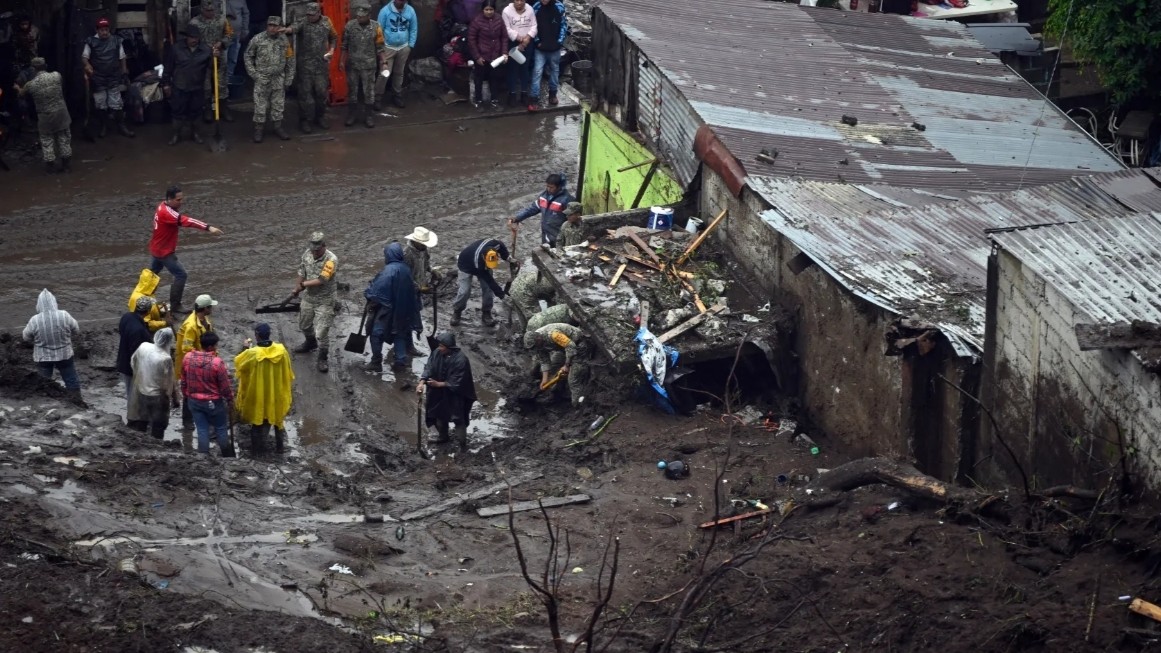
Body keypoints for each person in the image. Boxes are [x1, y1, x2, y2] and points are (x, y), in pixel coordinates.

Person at [150, 185, 224, 313]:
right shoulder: (168, 213)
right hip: (164, 252)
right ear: (170, 199)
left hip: (156, 249)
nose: (181, 202)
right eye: (178, 200)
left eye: (181, 199)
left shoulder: (162, 206)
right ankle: (175, 305)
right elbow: (187, 221)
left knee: (151, 276)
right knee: (181, 275)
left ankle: (141, 299)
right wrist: (208, 227)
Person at [234, 323, 294, 454]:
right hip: (276, 392)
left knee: (258, 420)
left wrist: (245, 348)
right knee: (278, 420)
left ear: (256, 335)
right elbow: (288, 371)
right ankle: (280, 448)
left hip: (259, 393)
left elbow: (239, 364)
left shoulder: (252, 353)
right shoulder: (281, 351)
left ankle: (257, 452)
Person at [417, 331, 477, 450]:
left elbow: (459, 381)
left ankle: (462, 445)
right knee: (439, 415)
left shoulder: (461, 360)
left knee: (458, 419)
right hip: (439, 393)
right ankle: (443, 436)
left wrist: (439, 384)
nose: (439, 348)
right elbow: (429, 367)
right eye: (439, 346)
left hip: (455, 394)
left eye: (442, 346)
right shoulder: (436, 353)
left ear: (449, 347)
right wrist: (422, 381)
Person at [364, 242, 417, 372]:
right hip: (403, 310)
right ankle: (400, 362)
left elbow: (377, 292)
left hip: (387, 310)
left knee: (376, 334)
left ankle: (376, 361)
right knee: (399, 334)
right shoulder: (406, 269)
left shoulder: (389, 270)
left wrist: (368, 292)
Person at [181, 331, 235, 457]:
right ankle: (227, 456)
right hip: (213, 402)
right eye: (216, 345)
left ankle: (203, 457)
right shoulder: (217, 362)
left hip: (194, 400)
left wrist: (186, 395)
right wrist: (230, 399)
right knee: (221, 428)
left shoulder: (188, 358)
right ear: (210, 347)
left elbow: (183, 380)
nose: (216, 348)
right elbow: (225, 386)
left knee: (202, 429)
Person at [13, 57, 71, 174]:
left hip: (45, 117)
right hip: (61, 113)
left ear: (33, 69)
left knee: (47, 140)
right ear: (46, 66)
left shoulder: (31, 84)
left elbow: (21, 95)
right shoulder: (56, 75)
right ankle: (66, 166)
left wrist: (17, 88)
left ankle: (51, 167)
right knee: (63, 138)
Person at [286, 2, 337, 134]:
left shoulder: (327, 22)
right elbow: (294, 28)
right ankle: (304, 120)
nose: (309, 17)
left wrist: (331, 50)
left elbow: (334, 37)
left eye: (312, 15)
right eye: (308, 14)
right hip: (305, 67)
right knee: (305, 95)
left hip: (321, 65)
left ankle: (319, 117)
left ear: (318, 13)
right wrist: (287, 30)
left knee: (321, 93)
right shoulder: (303, 22)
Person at [22, 289, 82, 398]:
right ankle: (77, 401)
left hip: (43, 357)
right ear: (54, 302)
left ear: (38, 304)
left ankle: (45, 403)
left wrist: (36, 341)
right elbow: (76, 330)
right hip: (65, 355)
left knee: (44, 382)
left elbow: (26, 337)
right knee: (71, 380)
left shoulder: (34, 320)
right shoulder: (64, 315)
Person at [292, 231, 338, 372]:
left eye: (317, 250)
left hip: (325, 299)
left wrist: (303, 285)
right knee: (304, 325)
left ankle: (323, 357)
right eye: (313, 250)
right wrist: (297, 288)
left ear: (324, 246)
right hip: (309, 298)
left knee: (321, 332)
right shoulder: (307, 254)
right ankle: (310, 343)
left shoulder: (331, 260)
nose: (314, 253)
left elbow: (322, 279)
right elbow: (301, 272)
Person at [161, 24, 214, 146]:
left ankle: (195, 134)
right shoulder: (176, 49)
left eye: (196, 38)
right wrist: (166, 84)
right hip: (179, 87)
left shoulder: (206, 50)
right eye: (191, 37)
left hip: (197, 87)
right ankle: (176, 134)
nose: (194, 40)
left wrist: (216, 58)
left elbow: (213, 67)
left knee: (196, 112)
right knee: (177, 112)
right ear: (186, 37)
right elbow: (168, 68)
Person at [245, 16, 295, 142]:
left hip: (278, 78)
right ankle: (259, 129)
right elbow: (248, 56)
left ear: (280, 27)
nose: (272, 28)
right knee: (260, 105)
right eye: (270, 25)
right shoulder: (257, 39)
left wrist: (289, 79)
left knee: (278, 105)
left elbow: (290, 59)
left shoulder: (284, 40)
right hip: (262, 78)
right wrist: (254, 74)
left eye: (275, 26)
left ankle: (277, 127)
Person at [82, 17, 135, 138]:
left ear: (109, 29)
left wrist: (124, 71)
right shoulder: (91, 41)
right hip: (98, 77)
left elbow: (122, 58)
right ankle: (103, 126)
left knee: (116, 102)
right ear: (97, 30)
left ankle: (121, 126)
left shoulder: (116, 41)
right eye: (101, 30)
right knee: (101, 104)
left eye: (106, 30)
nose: (104, 32)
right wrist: (87, 64)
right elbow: (84, 57)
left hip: (113, 76)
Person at [451, 237, 516, 327]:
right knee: (464, 291)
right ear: (483, 257)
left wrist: (508, 257)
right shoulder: (479, 264)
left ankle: (486, 312)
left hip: (479, 263)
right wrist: (502, 296)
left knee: (487, 289)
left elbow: (501, 245)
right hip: (465, 265)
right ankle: (457, 311)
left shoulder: (495, 245)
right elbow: (490, 280)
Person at [129, 327, 179, 440]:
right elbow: (169, 382)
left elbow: (133, 362)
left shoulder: (144, 346)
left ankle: (140, 443)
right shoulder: (165, 358)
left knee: (142, 421)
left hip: (142, 392)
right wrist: (175, 399)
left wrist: (142, 378)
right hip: (158, 397)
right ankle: (157, 447)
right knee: (158, 425)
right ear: (169, 341)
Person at [188, 1, 234, 123]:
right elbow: (190, 41)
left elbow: (230, 35)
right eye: (208, 10)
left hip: (219, 56)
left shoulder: (222, 20)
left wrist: (222, 43)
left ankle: (223, 109)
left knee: (221, 84)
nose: (211, 12)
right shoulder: (194, 23)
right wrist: (204, 48)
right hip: (202, 59)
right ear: (202, 10)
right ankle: (207, 110)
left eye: (212, 10)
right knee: (206, 85)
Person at [175, 294, 218, 425]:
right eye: (210, 307)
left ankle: (200, 415)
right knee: (189, 391)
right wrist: (203, 356)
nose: (212, 309)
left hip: (204, 361)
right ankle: (187, 421)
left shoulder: (204, 320)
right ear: (205, 308)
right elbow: (186, 348)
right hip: (192, 365)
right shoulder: (191, 326)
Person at [341, 5, 386, 128]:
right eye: (358, 16)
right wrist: (342, 61)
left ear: (369, 16)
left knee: (369, 91)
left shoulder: (376, 27)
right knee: (352, 91)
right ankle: (352, 114)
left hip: (369, 66)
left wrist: (384, 62)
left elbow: (380, 46)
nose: (359, 18)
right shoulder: (350, 26)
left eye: (362, 16)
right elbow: (344, 45)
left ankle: (369, 116)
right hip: (353, 65)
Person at [524, 322, 588, 406]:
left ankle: (579, 404)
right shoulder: (537, 344)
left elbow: (571, 346)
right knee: (554, 370)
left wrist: (566, 365)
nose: (535, 348)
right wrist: (545, 379)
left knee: (573, 380)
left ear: (538, 339)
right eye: (533, 348)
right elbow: (544, 361)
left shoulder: (553, 334)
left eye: (535, 346)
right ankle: (557, 394)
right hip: (562, 349)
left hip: (578, 345)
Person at [509, 173, 574, 248]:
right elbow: (532, 209)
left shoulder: (567, 200)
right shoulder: (543, 197)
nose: (548, 189)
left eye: (551, 187)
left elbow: (572, 219)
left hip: (559, 235)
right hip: (546, 234)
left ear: (559, 187)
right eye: (547, 186)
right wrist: (517, 218)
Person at [402, 226, 439, 354]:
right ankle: (408, 345)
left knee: (415, 312)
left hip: (417, 289)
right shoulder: (407, 254)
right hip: (406, 291)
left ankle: (409, 339)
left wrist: (432, 270)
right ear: (416, 242)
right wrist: (419, 288)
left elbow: (426, 264)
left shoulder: (424, 251)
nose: (425, 246)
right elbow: (404, 277)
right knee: (407, 318)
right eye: (423, 244)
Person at [377, 0, 417, 108]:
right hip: (388, 47)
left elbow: (413, 29)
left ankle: (397, 95)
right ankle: (378, 97)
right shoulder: (385, 11)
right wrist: (381, 48)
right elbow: (379, 31)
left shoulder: (410, 11)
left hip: (404, 47)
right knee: (384, 73)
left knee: (399, 72)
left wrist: (410, 45)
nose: (402, 1)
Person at [528, 0, 567, 112]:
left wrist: (559, 42)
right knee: (537, 72)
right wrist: (537, 41)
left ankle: (553, 94)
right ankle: (534, 98)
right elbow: (532, 26)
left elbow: (564, 25)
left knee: (555, 70)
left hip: (555, 48)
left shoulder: (559, 7)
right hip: (540, 48)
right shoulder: (536, 7)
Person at [467, 0, 507, 108]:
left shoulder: (499, 19)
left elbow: (504, 37)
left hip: (495, 56)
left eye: (491, 10)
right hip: (482, 56)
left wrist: (504, 53)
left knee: (494, 78)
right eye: (487, 10)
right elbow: (471, 40)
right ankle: (478, 101)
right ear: (482, 10)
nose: (489, 12)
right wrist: (477, 56)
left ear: (495, 10)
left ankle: (494, 100)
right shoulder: (477, 21)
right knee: (479, 79)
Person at [116, 296, 155, 402]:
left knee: (131, 392)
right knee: (134, 396)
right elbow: (137, 353)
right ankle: (132, 416)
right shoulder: (139, 330)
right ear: (148, 311)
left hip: (123, 360)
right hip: (132, 368)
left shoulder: (126, 317)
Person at [502, 0, 536, 107]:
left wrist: (528, 37)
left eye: (522, 0)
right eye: (517, 0)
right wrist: (518, 37)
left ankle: (524, 93)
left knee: (525, 68)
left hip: (528, 43)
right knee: (513, 69)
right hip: (513, 43)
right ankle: (512, 94)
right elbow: (506, 28)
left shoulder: (530, 9)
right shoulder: (506, 11)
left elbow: (534, 25)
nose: (519, 3)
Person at [225, 0, 250, 89]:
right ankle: (221, 85)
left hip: (236, 35)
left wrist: (245, 30)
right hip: (221, 37)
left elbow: (245, 14)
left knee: (233, 59)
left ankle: (229, 82)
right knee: (223, 60)